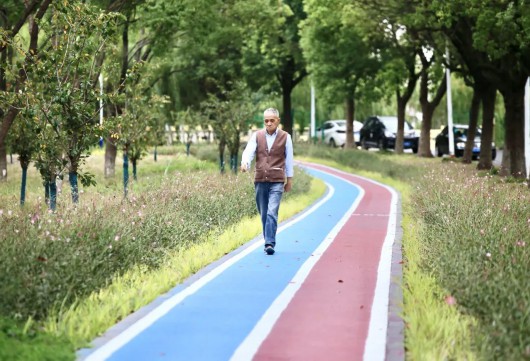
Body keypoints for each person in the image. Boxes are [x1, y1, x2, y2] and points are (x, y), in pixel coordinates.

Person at [240, 107, 294, 255]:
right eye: (266, 121)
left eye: (272, 120)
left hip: (277, 180)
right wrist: (245, 163)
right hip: (260, 180)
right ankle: (268, 239)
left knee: (272, 212)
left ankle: (269, 243)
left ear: (278, 121)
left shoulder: (285, 137)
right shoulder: (257, 136)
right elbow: (249, 151)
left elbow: (289, 160)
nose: (269, 123)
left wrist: (289, 180)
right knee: (264, 213)